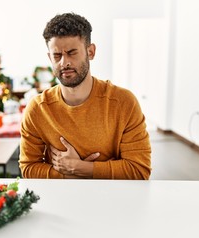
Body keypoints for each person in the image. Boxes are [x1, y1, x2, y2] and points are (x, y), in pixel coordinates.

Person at [19, 12, 151, 179]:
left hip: (114, 198)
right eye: (57, 55)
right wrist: (70, 175)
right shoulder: (38, 108)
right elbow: (28, 168)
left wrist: (80, 168)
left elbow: (139, 170)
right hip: (60, 199)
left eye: (72, 53)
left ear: (91, 52)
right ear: (49, 57)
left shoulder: (123, 102)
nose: (64, 62)